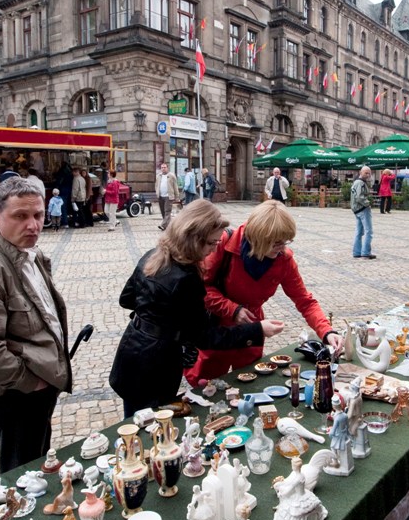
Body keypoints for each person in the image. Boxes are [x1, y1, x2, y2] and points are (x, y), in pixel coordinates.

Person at [109, 200, 283, 418]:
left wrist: (155, 317)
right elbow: (205, 337)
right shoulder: (186, 278)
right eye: (211, 243)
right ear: (193, 238)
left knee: (132, 420)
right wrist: (257, 330)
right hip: (156, 364)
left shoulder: (152, 255)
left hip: (132, 350)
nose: (214, 249)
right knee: (148, 427)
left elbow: (126, 299)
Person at [0, 177, 71, 473]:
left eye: (38, 215)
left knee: (39, 461)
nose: (33, 225)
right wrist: (32, 381)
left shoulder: (33, 255)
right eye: (20, 216)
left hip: (39, 387)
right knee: (21, 475)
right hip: (16, 395)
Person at [184, 200, 342, 385]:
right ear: (259, 238)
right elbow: (200, 289)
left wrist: (327, 331)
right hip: (217, 328)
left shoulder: (283, 259)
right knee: (205, 385)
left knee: (249, 383)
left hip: (252, 327)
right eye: (276, 243)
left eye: (285, 241)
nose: (282, 247)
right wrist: (233, 310)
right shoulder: (224, 245)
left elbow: (304, 301)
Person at [351, 165, 376, 259]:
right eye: (366, 172)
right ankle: (365, 252)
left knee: (359, 232)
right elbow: (359, 197)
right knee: (368, 231)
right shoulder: (360, 183)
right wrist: (367, 203)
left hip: (357, 209)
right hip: (362, 209)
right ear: (360, 172)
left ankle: (357, 252)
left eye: (369, 173)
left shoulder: (357, 182)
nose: (368, 174)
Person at [156, 163, 180, 230]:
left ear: (167, 168)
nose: (163, 169)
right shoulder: (158, 176)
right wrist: (157, 193)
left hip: (168, 196)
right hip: (161, 196)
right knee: (163, 211)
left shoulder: (171, 176)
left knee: (167, 211)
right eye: (162, 167)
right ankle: (168, 226)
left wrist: (177, 197)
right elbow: (156, 185)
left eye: (164, 167)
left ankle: (163, 225)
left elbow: (175, 186)